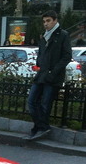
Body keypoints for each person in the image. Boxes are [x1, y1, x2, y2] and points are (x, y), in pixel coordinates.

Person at [25, 10, 71, 141]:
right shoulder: (44, 36)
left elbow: (67, 56)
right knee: (31, 101)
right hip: (41, 74)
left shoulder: (63, 35)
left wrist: (53, 71)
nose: (46, 24)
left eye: (48, 21)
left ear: (55, 20)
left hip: (53, 76)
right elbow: (41, 53)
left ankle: (40, 128)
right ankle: (41, 127)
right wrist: (39, 63)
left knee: (45, 103)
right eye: (44, 21)